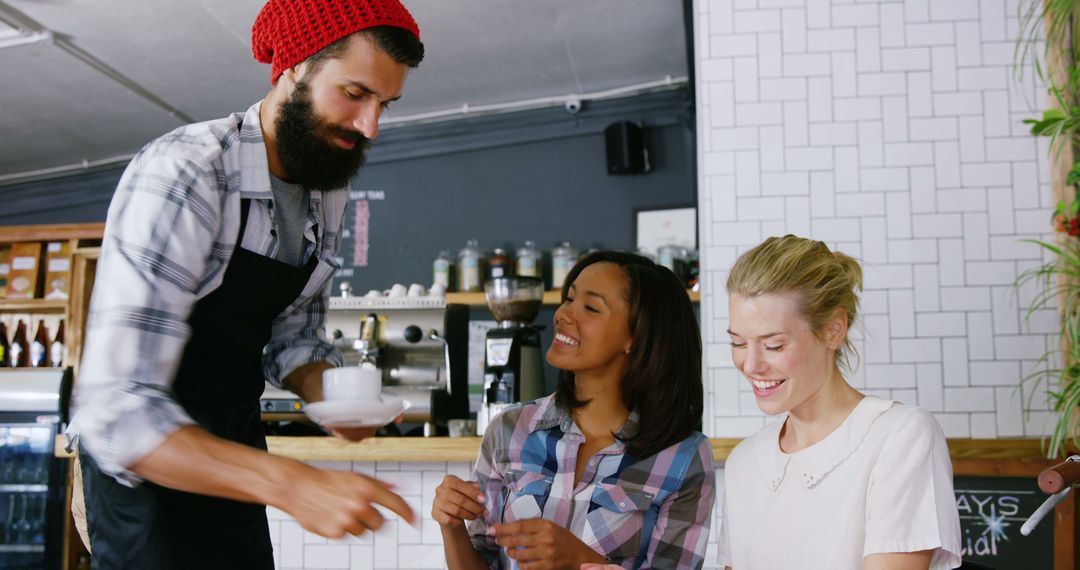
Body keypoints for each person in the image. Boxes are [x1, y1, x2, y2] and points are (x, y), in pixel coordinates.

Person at [65, 1, 424, 567]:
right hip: (144, 479)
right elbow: (118, 408)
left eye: (386, 103)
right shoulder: (188, 172)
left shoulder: (325, 186)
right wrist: (291, 484)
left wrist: (335, 396)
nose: (370, 125)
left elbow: (292, 334)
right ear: (294, 68)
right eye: (355, 94)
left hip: (234, 461)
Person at [433, 251, 715, 569]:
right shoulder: (508, 429)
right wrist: (452, 525)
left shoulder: (683, 457)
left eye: (590, 307)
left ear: (636, 337)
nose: (564, 314)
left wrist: (579, 559)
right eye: (568, 299)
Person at [718, 235, 961, 569]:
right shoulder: (743, 462)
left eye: (773, 345)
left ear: (834, 330)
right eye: (738, 343)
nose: (751, 364)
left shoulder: (899, 436)